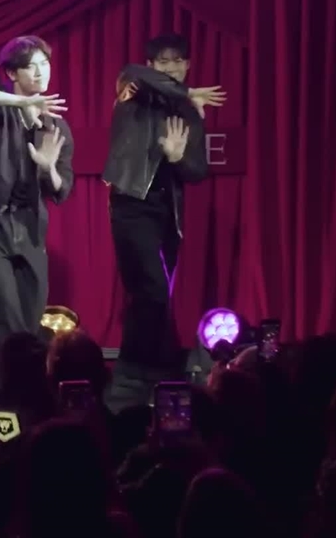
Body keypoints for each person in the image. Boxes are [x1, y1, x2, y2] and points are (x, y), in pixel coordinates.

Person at [103, 33, 226, 399]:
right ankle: (143, 370)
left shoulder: (190, 113)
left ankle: (140, 372)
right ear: (152, 65)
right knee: (152, 290)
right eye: (163, 61)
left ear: (188, 64)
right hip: (131, 202)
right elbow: (134, 72)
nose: (171, 68)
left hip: (167, 212)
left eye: (177, 61)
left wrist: (177, 157)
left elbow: (198, 171)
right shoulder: (134, 91)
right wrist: (186, 92)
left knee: (150, 296)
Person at [0, 35, 74, 400]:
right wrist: (23, 102)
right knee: (4, 316)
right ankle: (7, 399)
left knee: (27, 322)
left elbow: (61, 190)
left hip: (30, 229)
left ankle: (0, 389)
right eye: (31, 67)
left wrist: (48, 168)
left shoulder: (56, 127)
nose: (40, 73)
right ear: (12, 74)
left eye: (45, 65)